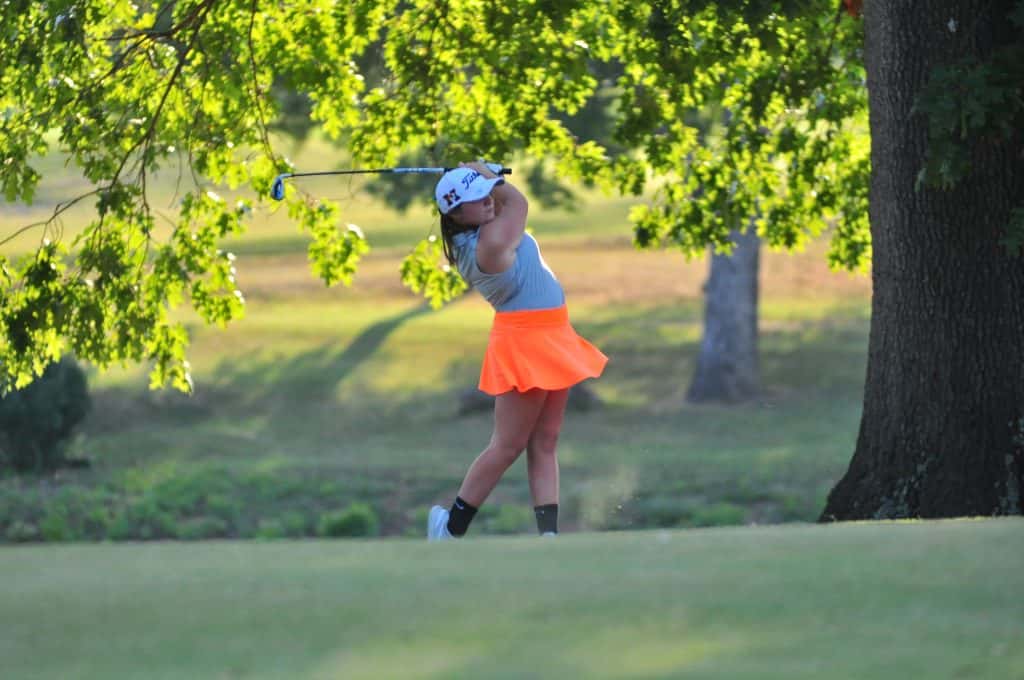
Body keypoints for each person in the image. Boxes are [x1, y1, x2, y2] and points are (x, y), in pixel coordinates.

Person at [427, 161, 608, 540]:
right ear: (456, 215)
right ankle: (450, 529)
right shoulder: (489, 244)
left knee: (546, 441)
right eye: (477, 198)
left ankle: (549, 536)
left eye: (485, 194)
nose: (487, 200)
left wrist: (477, 176)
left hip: (553, 333)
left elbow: (499, 201)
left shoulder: (479, 228)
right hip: (526, 342)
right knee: (507, 446)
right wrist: (481, 169)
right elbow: (517, 201)